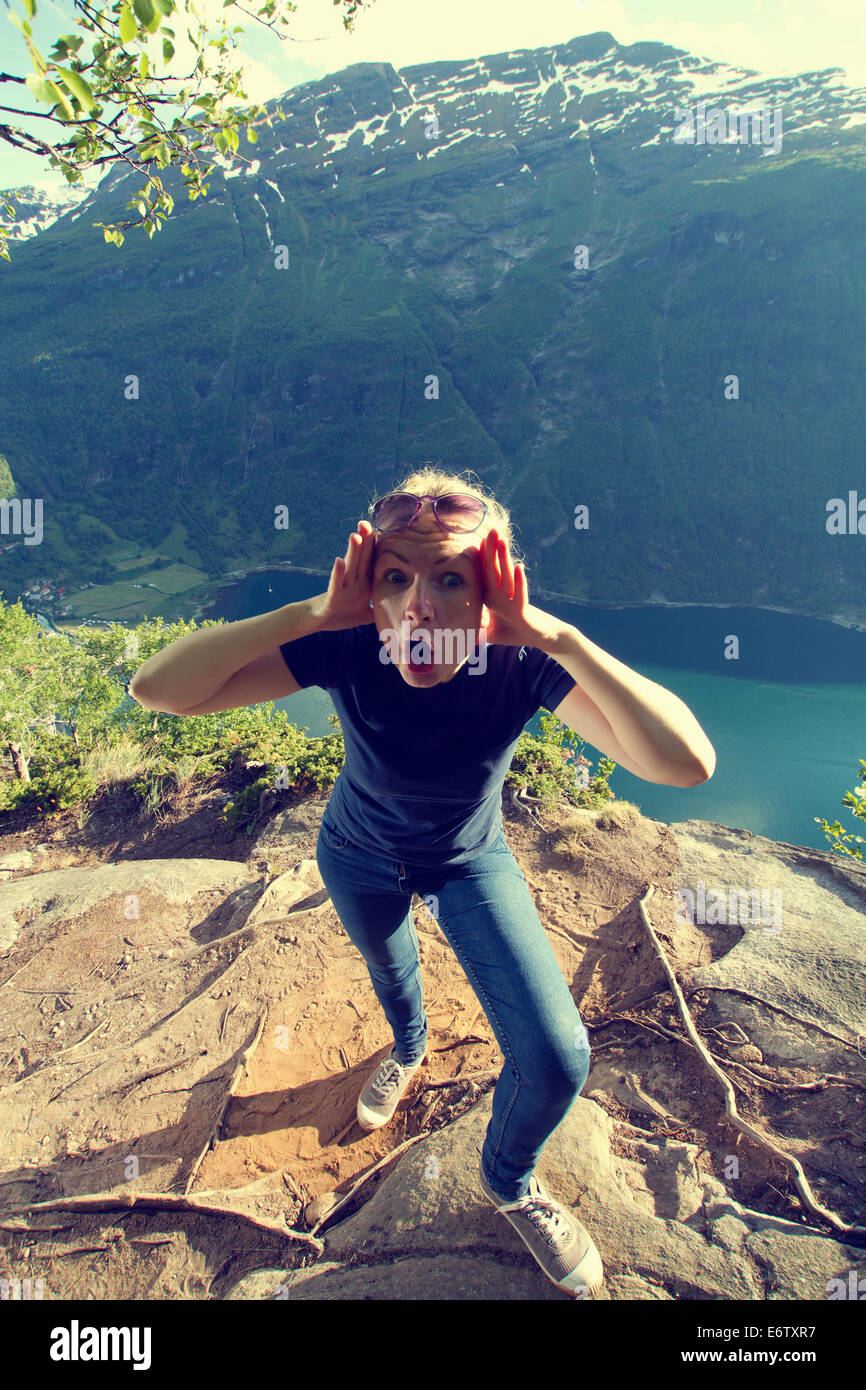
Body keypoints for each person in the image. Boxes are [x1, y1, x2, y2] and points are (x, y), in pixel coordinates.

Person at [128, 464, 716, 1300]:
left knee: (554, 1060)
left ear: (494, 593)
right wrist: (313, 614)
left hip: (469, 862)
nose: (419, 607)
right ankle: (408, 1050)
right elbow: (158, 692)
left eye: (451, 579)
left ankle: (509, 1182)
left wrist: (558, 639)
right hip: (356, 853)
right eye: (395, 579)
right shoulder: (347, 641)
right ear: (370, 592)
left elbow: (685, 764)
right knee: (390, 970)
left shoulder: (519, 664)